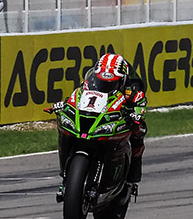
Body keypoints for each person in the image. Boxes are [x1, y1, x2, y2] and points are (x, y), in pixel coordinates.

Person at [55, 53, 147, 199]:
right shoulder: (91, 80)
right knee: (64, 128)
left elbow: (140, 103)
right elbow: (78, 96)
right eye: (101, 81)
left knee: (139, 132)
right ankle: (65, 174)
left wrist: (136, 114)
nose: (104, 85)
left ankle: (131, 181)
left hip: (120, 115)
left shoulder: (132, 87)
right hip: (95, 117)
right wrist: (65, 105)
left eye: (110, 83)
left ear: (121, 80)